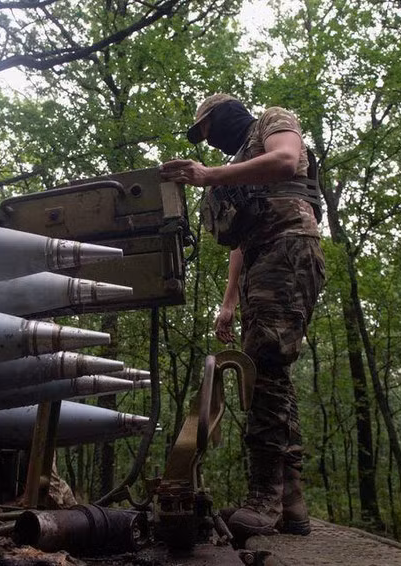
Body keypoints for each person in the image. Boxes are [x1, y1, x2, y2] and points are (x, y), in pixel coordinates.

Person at [159, 94, 325, 539]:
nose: (207, 141)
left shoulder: (273, 120)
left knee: (265, 365)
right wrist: (229, 301)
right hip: (259, 260)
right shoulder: (235, 167)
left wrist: (207, 175)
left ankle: (266, 497)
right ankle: (291, 502)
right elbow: (238, 241)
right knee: (269, 374)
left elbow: (287, 160)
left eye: (206, 129)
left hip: (291, 248)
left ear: (224, 116)